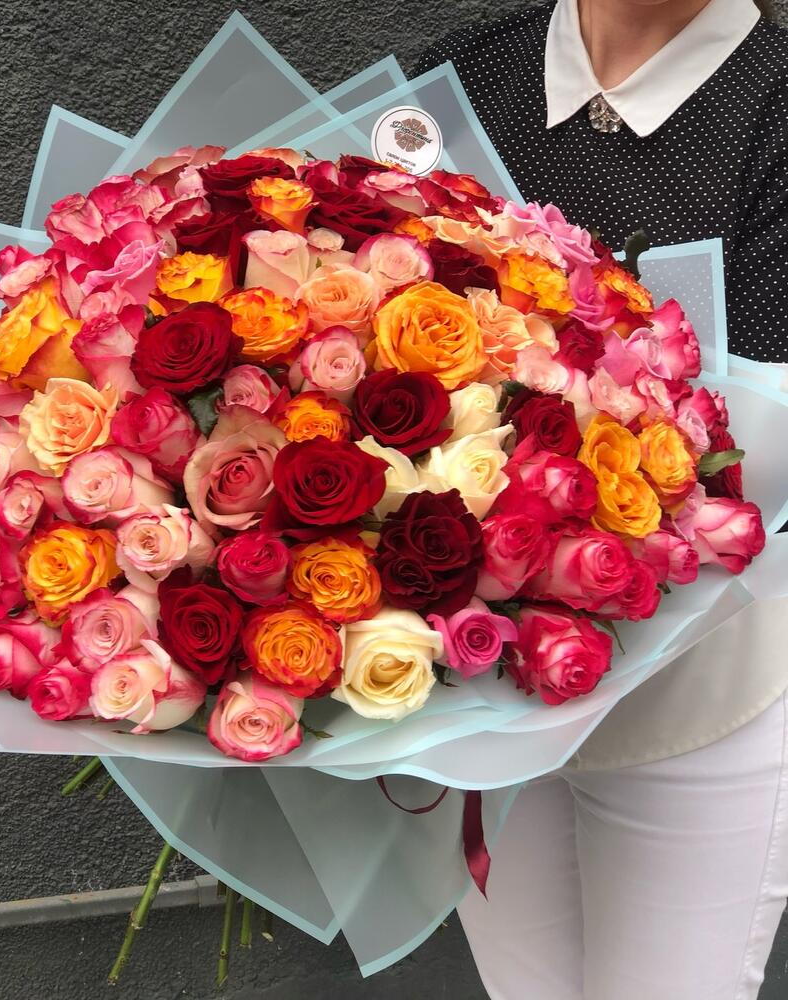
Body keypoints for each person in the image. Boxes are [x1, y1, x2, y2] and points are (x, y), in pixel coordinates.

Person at [415, 2, 788, 998]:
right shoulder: (460, 84)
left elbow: (756, 452)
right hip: (484, 689)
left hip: (700, 695)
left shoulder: (771, 107)